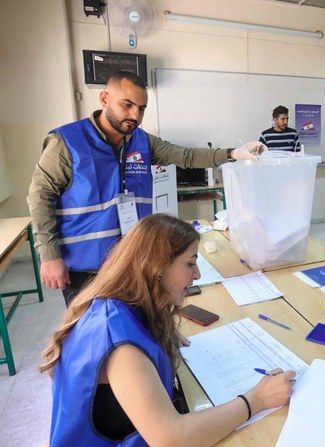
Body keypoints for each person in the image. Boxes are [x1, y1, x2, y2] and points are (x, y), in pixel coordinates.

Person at [40, 214, 296, 446]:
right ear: (156, 267)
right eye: (190, 263)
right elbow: (170, 439)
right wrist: (256, 400)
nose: (197, 274)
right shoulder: (122, 347)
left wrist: (156, 333)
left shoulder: (117, 305)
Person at [26, 71, 262, 306]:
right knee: (91, 332)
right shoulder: (67, 142)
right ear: (104, 99)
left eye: (141, 108)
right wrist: (49, 256)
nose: (135, 115)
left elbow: (185, 156)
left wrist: (232, 154)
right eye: (127, 105)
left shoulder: (141, 141)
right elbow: (40, 197)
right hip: (85, 267)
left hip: (133, 260)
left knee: (133, 324)